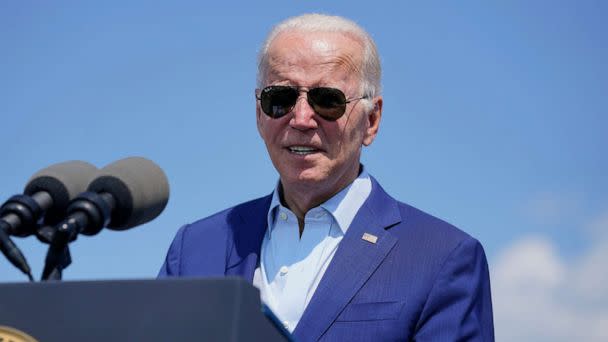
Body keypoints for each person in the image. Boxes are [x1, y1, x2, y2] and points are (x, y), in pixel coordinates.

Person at [159, 13, 494, 341]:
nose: (302, 119)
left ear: (372, 120)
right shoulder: (195, 249)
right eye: (280, 99)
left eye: (327, 101)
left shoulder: (442, 257)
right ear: (259, 114)